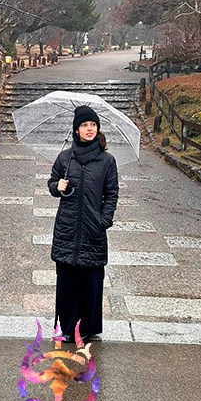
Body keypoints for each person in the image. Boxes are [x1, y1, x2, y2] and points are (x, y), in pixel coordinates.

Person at [47, 105, 119, 344]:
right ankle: (67, 328)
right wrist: (57, 187)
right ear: (76, 130)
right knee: (67, 280)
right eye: (84, 125)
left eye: (93, 125)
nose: (89, 129)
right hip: (67, 227)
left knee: (91, 280)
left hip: (93, 228)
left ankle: (88, 328)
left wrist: (104, 220)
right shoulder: (65, 158)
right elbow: (52, 182)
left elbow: (111, 193)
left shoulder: (107, 161)